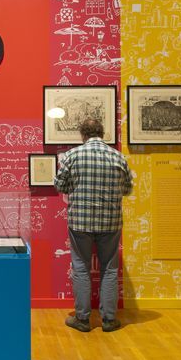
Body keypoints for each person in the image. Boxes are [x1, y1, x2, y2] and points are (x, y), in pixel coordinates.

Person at [55, 118, 132, 333]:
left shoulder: (73, 156)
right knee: (110, 268)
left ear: (83, 134)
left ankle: (82, 319)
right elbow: (127, 189)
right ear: (102, 132)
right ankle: (108, 320)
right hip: (110, 221)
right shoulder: (118, 156)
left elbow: (60, 185)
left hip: (80, 221)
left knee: (81, 267)